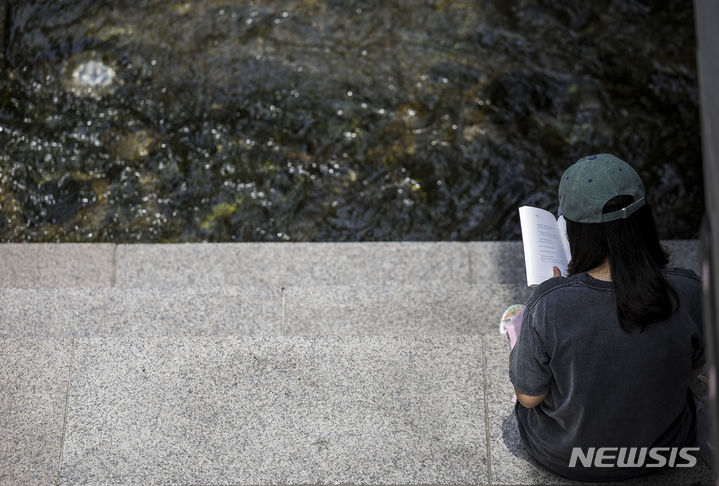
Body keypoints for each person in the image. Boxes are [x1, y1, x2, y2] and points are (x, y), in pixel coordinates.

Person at [504, 153, 705, 481]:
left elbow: (529, 397)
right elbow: (691, 369)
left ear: (576, 233)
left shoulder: (552, 302)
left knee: (530, 344)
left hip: (565, 457)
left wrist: (554, 294)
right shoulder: (687, 290)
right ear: (644, 221)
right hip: (664, 451)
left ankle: (518, 332)